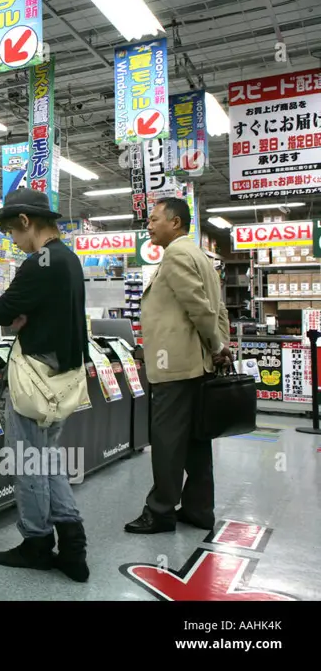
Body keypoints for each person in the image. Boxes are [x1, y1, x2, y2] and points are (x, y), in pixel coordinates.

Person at [0, 188, 90, 582]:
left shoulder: (39, 262)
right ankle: (73, 544)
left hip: (35, 380)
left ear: (26, 223)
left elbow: (1, 312)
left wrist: (19, 315)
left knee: (27, 462)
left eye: (12, 232)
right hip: (62, 380)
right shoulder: (69, 259)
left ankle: (37, 543)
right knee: (48, 459)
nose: (13, 241)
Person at [125, 197, 231, 534]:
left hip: (176, 366)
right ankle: (199, 509)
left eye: (155, 219)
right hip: (196, 366)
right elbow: (219, 309)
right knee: (196, 441)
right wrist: (221, 346)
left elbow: (199, 308)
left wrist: (216, 345)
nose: (149, 225)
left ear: (175, 222)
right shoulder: (202, 256)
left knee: (168, 440)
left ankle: (160, 511)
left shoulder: (176, 255)